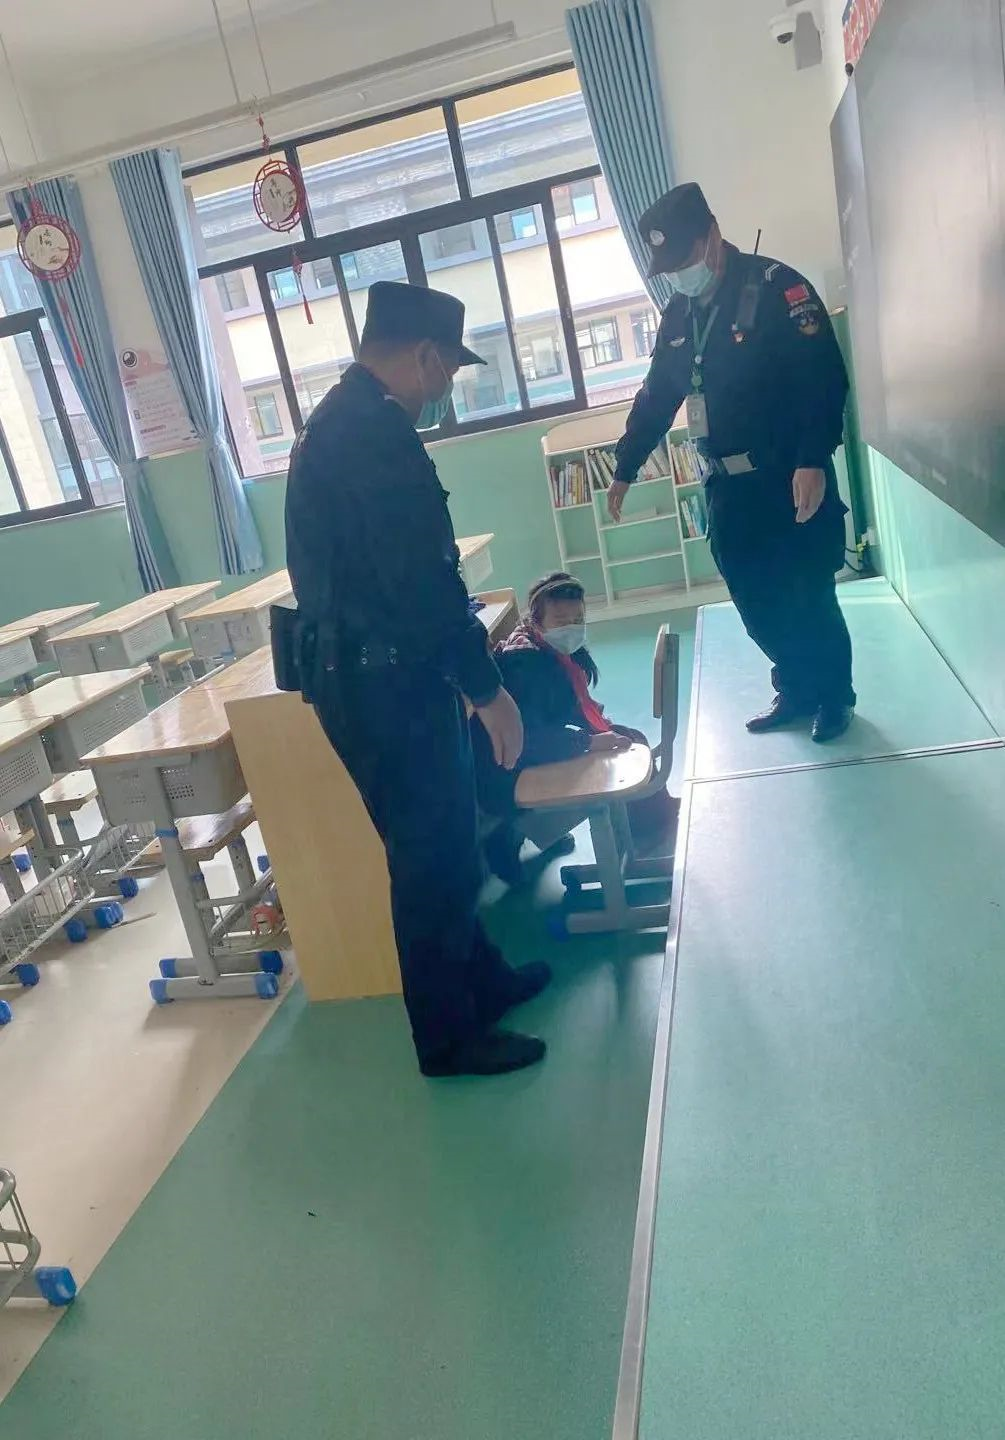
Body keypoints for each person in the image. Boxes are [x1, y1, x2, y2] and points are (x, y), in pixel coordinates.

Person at [283, 281, 551, 1078]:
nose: (445, 388)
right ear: (427, 356)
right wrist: (487, 689)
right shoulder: (369, 434)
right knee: (430, 857)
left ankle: (482, 983)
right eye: (449, 371)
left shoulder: (350, 419)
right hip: (382, 684)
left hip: (379, 675)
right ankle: (446, 1037)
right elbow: (419, 582)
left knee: (448, 844)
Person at [610, 183, 855, 742]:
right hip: (727, 488)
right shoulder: (679, 315)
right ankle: (796, 687)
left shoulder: (778, 289)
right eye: (670, 267)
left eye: (685, 259)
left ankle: (833, 696)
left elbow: (822, 379)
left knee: (809, 592)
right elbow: (658, 395)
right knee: (754, 596)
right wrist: (626, 465)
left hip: (788, 476)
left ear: (713, 236)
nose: (680, 274)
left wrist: (812, 458)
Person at [473, 572, 678, 880]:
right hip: (508, 769)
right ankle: (509, 832)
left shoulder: (553, 650)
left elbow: (560, 708)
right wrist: (588, 741)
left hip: (530, 749)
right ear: (536, 621)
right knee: (617, 747)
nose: (571, 627)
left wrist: (594, 728)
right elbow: (528, 742)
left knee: (629, 737)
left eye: (578, 619)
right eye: (560, 620)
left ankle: (652, 826)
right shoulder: (524, 665)